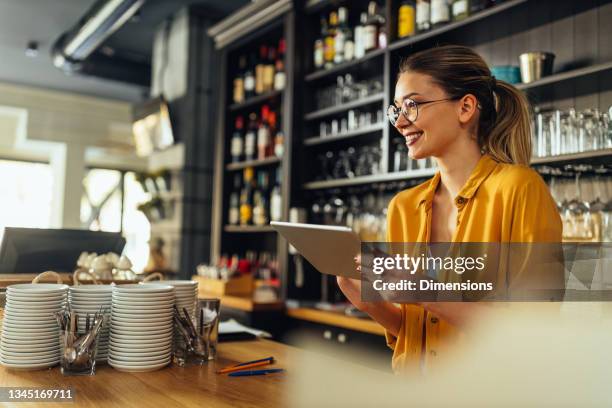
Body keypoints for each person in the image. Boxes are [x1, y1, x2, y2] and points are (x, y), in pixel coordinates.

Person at [336, 45, 563, 374]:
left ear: (466, 107)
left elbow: (532, 336)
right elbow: (421, 335)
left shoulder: (519, 189)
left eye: (412, 105)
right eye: (396, 110)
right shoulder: (403, 207)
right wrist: (369, 303)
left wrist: (427, 292)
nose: (399, 122)